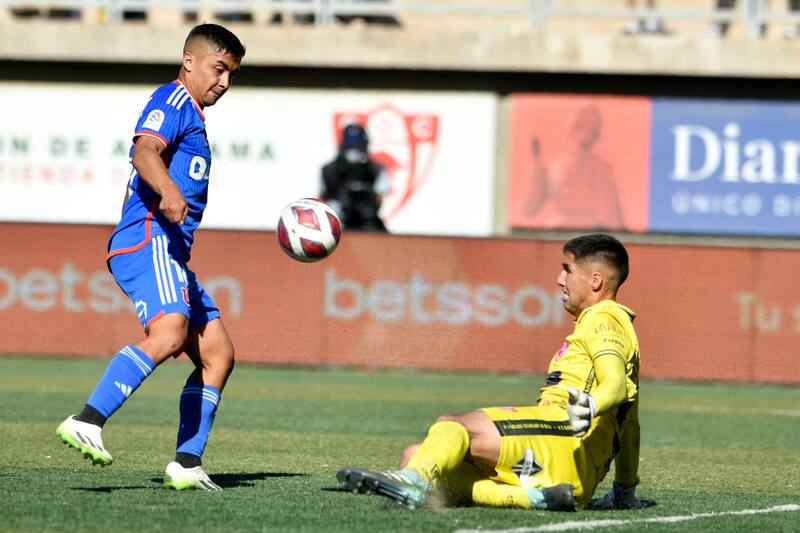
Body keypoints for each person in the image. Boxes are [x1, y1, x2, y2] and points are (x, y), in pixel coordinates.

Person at [55, 23, 245, 492]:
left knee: (218, 354)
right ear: (189, 61)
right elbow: (144, 151)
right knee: (169, 331)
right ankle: (87, 419)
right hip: (148, 236)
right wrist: (169, 190)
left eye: (231, 74)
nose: (224, 81)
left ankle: (186, 462)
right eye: (219, 68)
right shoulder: (173, 99)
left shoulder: (194, 115)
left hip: (171, 250)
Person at [337, 234, 643, 511]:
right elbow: (630, 427)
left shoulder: (604, 318)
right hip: (571, 468)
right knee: (416, 455)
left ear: (595, 281)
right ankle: (537, 498)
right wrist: (624, 492)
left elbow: (615, 385)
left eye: (568, 270)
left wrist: (590, 405)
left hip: (564, 438)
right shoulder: (607, 324)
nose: (559, 279)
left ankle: (413, 483)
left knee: (453, 425)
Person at [521, 105, 625, 232]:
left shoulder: (601, 168)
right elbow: (529, 208)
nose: (585, 132)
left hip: (588, 232)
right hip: (556, 231)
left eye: (590, 128)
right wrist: (537, 179)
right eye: (581, 125)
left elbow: (614, 217)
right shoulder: (555, 167)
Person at [321, 123, 390, 232]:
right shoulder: (329, 170)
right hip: (338, 222)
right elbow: (322, 198)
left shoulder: (375, 169)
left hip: (368, 223)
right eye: (351, 151)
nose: (354, 156)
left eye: (357, 151)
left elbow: (379, 198)